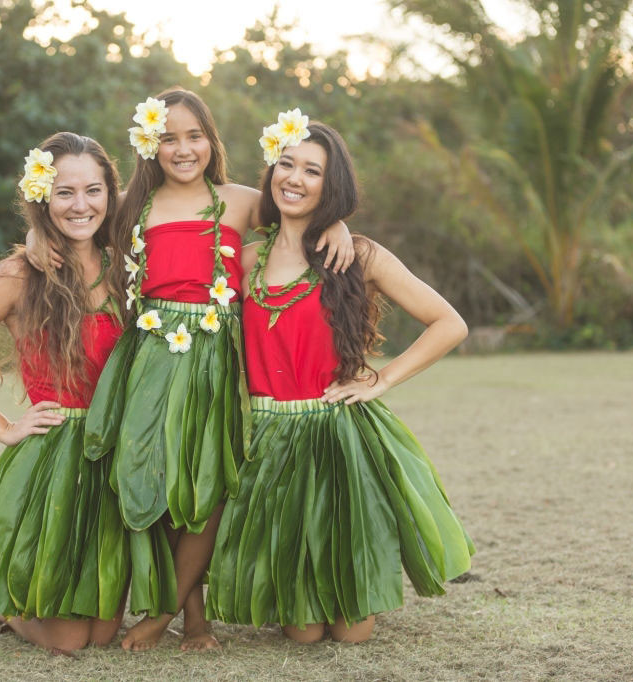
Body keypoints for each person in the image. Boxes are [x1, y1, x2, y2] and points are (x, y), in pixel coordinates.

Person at [71, 88, 355, 651]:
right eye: (168, 137)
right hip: (152, 354)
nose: (183, 148)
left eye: (194, 135)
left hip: (216, 358)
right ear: (150, 143)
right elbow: (73, 221)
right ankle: (190, 618)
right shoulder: (133, 204)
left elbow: (300, 212)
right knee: (160, 480)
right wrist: (35, 232)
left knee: (210, 485)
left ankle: (169, 613)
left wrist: (339, 225)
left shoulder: (241, 200)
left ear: (211, 141)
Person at [206, 116, 475, 643]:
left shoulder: (357, 255)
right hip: (270, 441)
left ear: (333, 187)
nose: (295, 179)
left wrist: (383, 378)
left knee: (354, 633)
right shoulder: (244, 260)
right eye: (287, 164)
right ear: (271, 171)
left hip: (337, 436)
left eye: (314, 171)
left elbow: (450, 324)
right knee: (303, 635)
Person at [0, 132, 130, 653]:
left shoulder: (128, 266)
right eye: (64, 193)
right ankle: (5, 612)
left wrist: (331, 217)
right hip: (54, 455)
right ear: (42, 197)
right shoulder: (17, 275)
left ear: (111, 194)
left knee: (103, 633)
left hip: (114, 450)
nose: (80, 205)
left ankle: (29, 606)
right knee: (67, 642)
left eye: (93, 190)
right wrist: (4, 426)